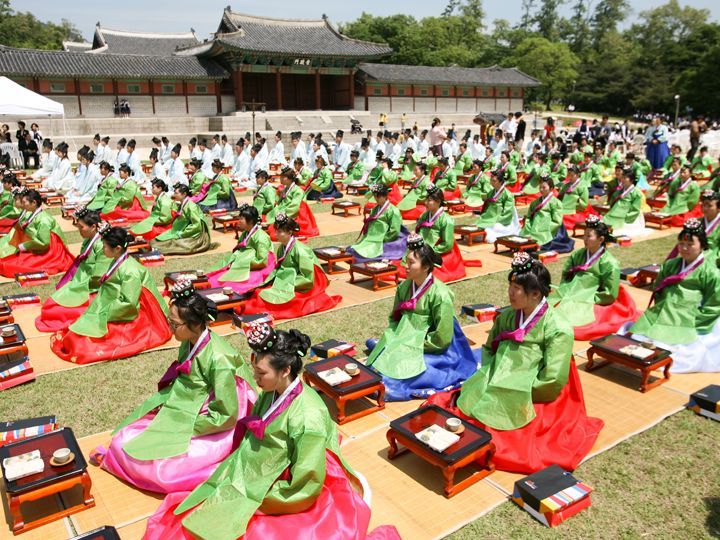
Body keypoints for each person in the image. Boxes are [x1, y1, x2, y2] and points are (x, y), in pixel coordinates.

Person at [144, 323, 393, 540]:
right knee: (198, 513)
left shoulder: (308, 416)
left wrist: (256, 500)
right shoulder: (274, 389)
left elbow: (305, 483)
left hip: (288, 485)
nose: (255, 378)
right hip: (260, 466)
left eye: (261, 373)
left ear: (285, 371)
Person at [425, 253, 603, 473]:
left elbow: (553, 378)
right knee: (472, 402)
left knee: (514, 436)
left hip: (532, 384)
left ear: (536, 293)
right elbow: (490, 348)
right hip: (500, 372)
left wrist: (520, 392)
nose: (510, 292)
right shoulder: (509, 316)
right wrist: (490, 373)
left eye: (517, 288)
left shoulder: (558, 327)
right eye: (510, 285)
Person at [92, 281, 257, 493]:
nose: (171, 329)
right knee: (123, 439)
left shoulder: (220, 358)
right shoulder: (189, 340)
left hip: (211, 425)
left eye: (174, 324)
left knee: (163, 469)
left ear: (195, 324)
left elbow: (226, 415)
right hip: (185, 410)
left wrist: (184, 427)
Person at [366, 234, 479, 401]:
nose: (405, 266)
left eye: (411, 263)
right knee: (378, 360)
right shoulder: (404, 286)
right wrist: (395, 338)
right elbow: (394, 318)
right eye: (406, 261)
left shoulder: (441, 295)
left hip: (433, 346)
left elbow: (442, 338)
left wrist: (413, 346)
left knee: (404, 369)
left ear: (426, 266)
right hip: (404, 338)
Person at [50, 227, 171, 364]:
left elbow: (129, 303)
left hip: (129, 311)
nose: (102, 249)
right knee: (80, 329)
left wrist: (104, 312)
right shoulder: (119, 259)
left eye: (105, 246)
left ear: (118, 248)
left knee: (85, 342)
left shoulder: (131, 271)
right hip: (113, 303)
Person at [628, 219, 720, 373]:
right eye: (681, 243)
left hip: (689, 313)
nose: (684, 248)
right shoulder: (670, 265)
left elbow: (714, 304)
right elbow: (658, 289)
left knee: (685, 350)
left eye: (690, 244)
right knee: (636, 339)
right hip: (665, 309)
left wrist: (696, 322)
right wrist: (660, 308)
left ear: (702, 245)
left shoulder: (711, 272)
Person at [550, 216, 639, 340]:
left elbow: (610, 293)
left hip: (589, 295)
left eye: (589, 236)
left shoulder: (609, 263)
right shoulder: (578, 254)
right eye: (584, 235)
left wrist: (590, 298)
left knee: (566, 316)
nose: (585, 239)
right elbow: (566, 274)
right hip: (571, 289)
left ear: (601, 239)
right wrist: (565, 288)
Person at [241, 213, 341, 320]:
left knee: (265, 295)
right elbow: (278, 269)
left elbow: (307, 277)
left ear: (289, 232)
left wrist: (286, 286)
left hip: (301, 286)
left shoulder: (301, 250)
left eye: (279, 232)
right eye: (276, 231)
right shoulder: (281, 248)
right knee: (258, 291)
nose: (276, 234)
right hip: (285, 281)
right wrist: (268, 283)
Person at [35, 208, 111, 332]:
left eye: (81, 227)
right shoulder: (89, 239)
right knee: (50, 304)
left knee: (54, 310)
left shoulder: (103, 245)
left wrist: (79, 288)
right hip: (82, 281)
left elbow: (100, 276)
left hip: (94, 288)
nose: (79, 230)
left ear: (93, 227)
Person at [397, 185, 467, 283]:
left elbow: (447, 244)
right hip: (422, 247)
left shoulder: (446, 220)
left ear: (438, 201)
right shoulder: (425, 215)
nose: (426, 203)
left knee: (430, 272)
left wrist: (429, 252)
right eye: (426, 199)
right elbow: (419, 231)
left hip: (438, 251)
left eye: (429, 200)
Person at [0, 189, 74, 277]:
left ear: (34, 203)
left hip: (49, 251)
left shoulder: (44, 220)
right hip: (36, 246)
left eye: (24, 202)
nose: (22, 204)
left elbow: (44, 243)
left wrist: (25, 246)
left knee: (12, 265)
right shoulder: (33, 213)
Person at [206, 204, 276, 294]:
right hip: (242, 263)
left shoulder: (261, 237)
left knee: (231, 283)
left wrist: (241, 263)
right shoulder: (245, 233)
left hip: (257, 268)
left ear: (250, 221)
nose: (239, 221)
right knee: (218, 274)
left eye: (241, 219)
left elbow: (262, 260)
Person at [346, 184, 408, 263]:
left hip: (383, 239)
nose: (376, 198)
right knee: (352, 249)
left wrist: (381, 239)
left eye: (378, 196)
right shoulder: (375, 209)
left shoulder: (393, 211)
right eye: (375, 196)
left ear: (385, 196)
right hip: (372, 237)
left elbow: (394, 231)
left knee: (365, 253)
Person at [152, 184, 212, 255]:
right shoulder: (182, 203)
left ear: (184, 194)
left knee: (173, 243)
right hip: (179, 229)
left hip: (193, 233)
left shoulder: (191, 206)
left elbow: (196, 224)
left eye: (176, 193)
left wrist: (182, 234)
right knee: (159, 239)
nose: (174, 195)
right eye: (174, 193)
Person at [520, 176, 574, 253]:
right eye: (540, 187)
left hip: (549, 229)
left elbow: (557, 221)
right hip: (534, 227)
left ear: (551, 188)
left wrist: (544, 231)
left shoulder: (556, 203)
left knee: (543, 243)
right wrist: (528, 228)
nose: (541, 190)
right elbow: (529, 217)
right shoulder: (534, 203)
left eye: (544, 187)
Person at [266, 168, 319, 239]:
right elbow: (279, 202)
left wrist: (281, 215)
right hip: (282, 211)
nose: (281, 179)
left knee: (274, 233)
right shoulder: (286, 188)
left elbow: (294, 207)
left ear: (290, 179)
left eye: (283, 177)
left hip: (293, 215)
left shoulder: (298, 191)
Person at [474, 170, 522, 243]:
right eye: (491, 180)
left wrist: (495, 220)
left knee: (495, 228)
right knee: (478, 225)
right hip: (490, 216)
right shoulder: (492, 192)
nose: (491, 182)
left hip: (502, 220)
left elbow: (507, 213)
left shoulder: (508, 195)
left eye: (494, 181)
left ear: (500, 182)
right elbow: (486, 205)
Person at [603, 169, 649, 238]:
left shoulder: (636, 192)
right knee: (605, 222)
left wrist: (627, 218)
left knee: (617, 229)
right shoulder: (620, 190)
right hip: (615, 211)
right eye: (622, 178)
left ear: (631, 180)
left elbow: (635, 208)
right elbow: (613, 200)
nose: (623, 180)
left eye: (625, 178)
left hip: (626, 214)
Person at [558, 165, 594, 230]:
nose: (570, 177)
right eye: (569, 175)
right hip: (564, 207)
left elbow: (584, 202)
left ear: (577, 175)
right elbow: (560, 197)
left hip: (576, 209)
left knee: (564, 219)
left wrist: (574, 199)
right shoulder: (566, 185)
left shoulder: (582, 186)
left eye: (572, 175)